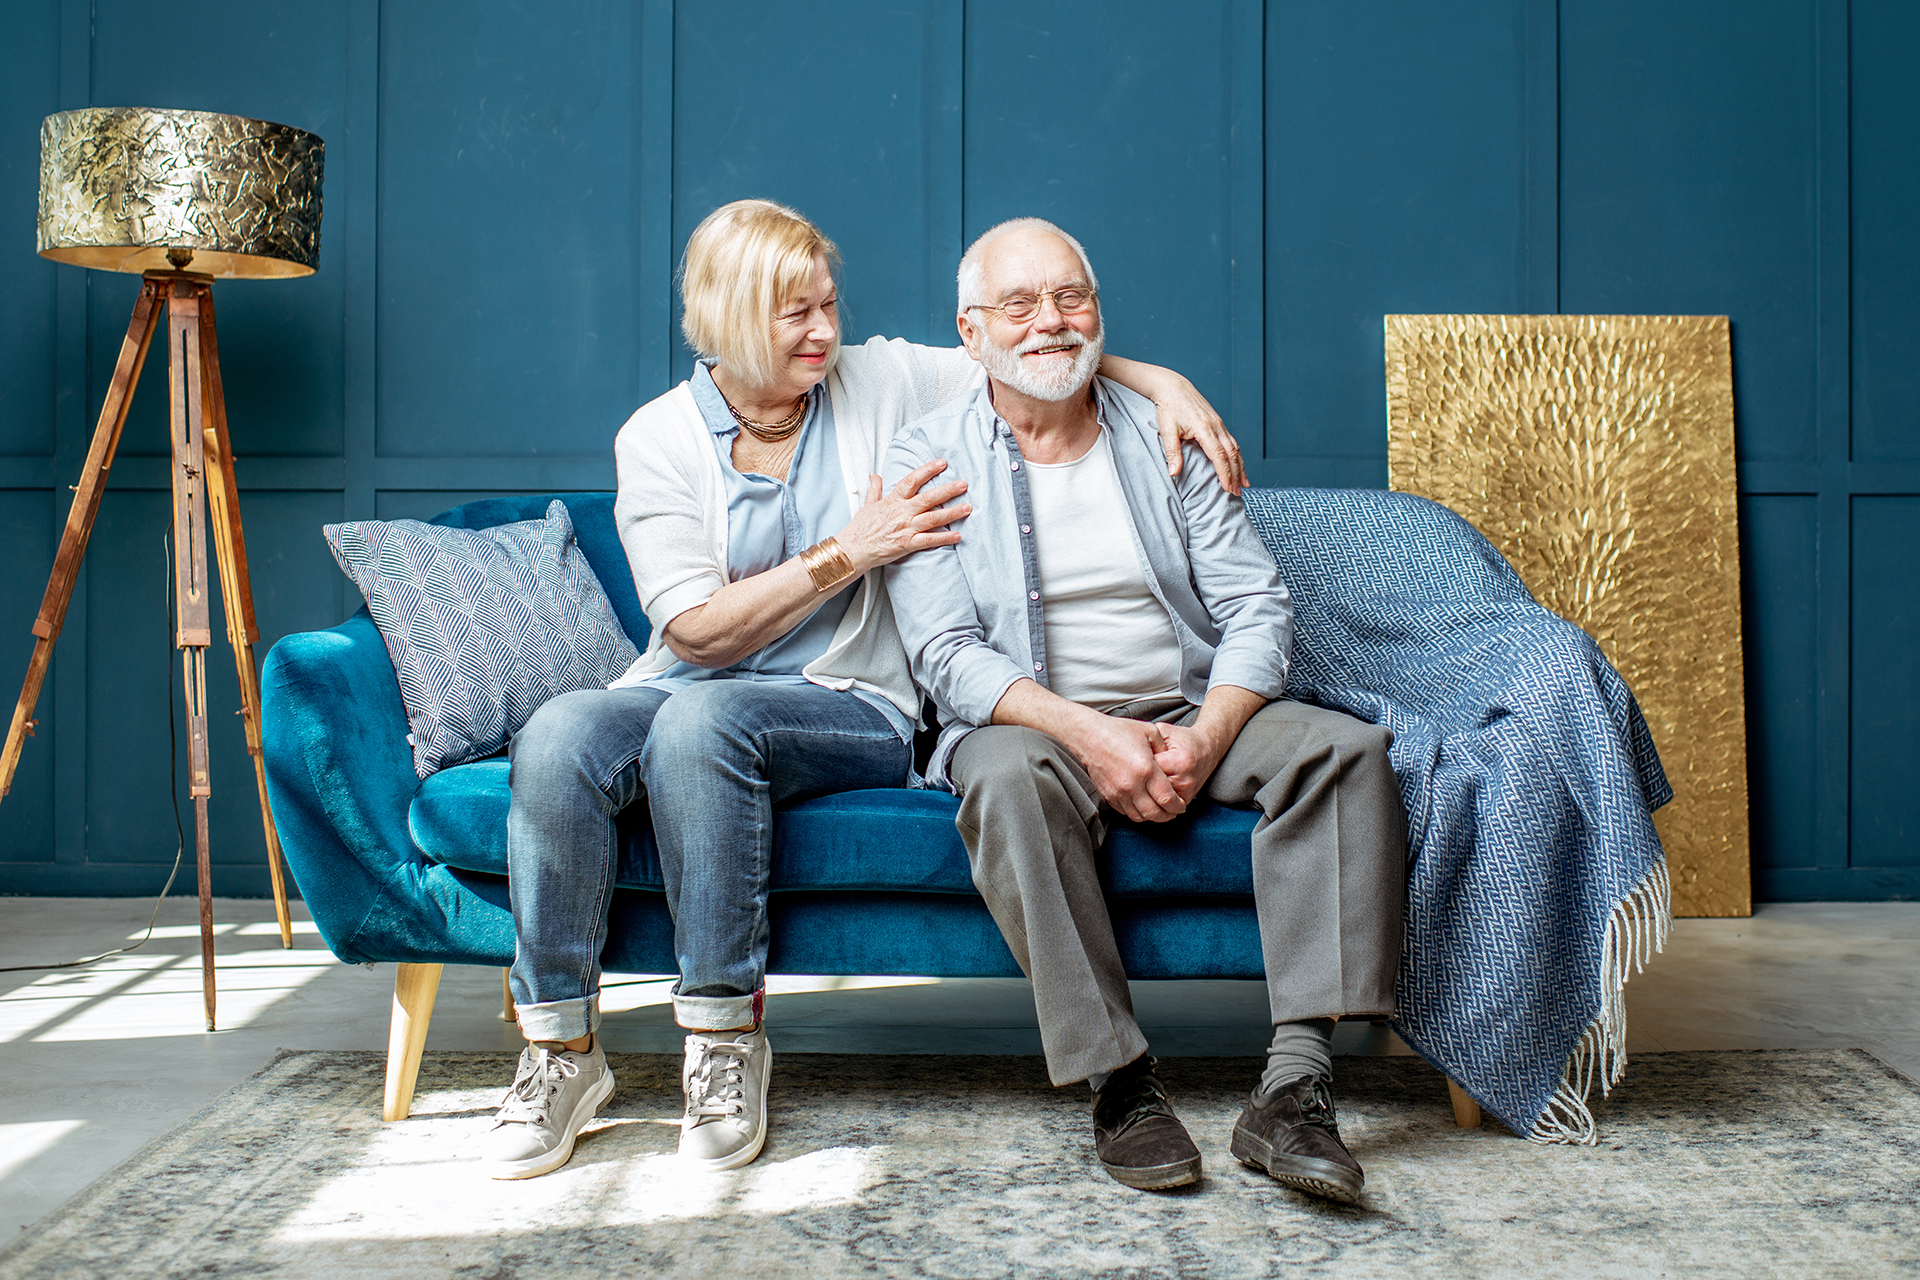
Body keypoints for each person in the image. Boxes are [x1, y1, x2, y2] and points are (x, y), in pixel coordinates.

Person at [482, 199, 1245, 1180]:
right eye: (793, 314)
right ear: (725, 318)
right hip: (692, 680)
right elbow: (696, 631)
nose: (824, 332)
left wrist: (1163, 381)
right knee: (557, 734)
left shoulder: (874, 376)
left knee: (703, 726)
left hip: (854, 699)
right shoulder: (658, 438)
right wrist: (852, 550)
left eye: (829, 306)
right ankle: (558, 1052)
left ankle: (721, 1038)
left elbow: (1024, 347)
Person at [883, 218, 1407, 1202]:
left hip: (1190, 703)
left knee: (1346, 750)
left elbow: (1257, 602)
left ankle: (1293, 1089)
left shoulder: (1166, 430)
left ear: (1100, 309)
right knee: (1001, 777)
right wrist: (1090, 734)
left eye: (1070, 295)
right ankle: (1121, 1085)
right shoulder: (928, 457)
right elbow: (949, 657)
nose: (1050, 320)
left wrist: (1206, 737)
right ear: (970, 330)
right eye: (1020, 303)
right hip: (1033, 725)